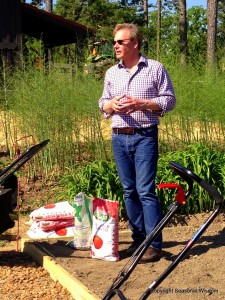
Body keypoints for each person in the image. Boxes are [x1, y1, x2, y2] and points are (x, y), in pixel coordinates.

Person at [98, 23, 176, 262]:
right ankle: (139, 240)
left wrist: (142, 103)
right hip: (119, 137)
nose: (115, 46)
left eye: (120, 42)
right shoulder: (112, 72)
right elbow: (103, 103)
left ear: (135, 43)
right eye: (114, 42)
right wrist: (111, 105)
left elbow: (169, 100)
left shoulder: (155, 68)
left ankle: (154, 245)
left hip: (144, 136)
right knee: (129, 191)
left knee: (145, 190)